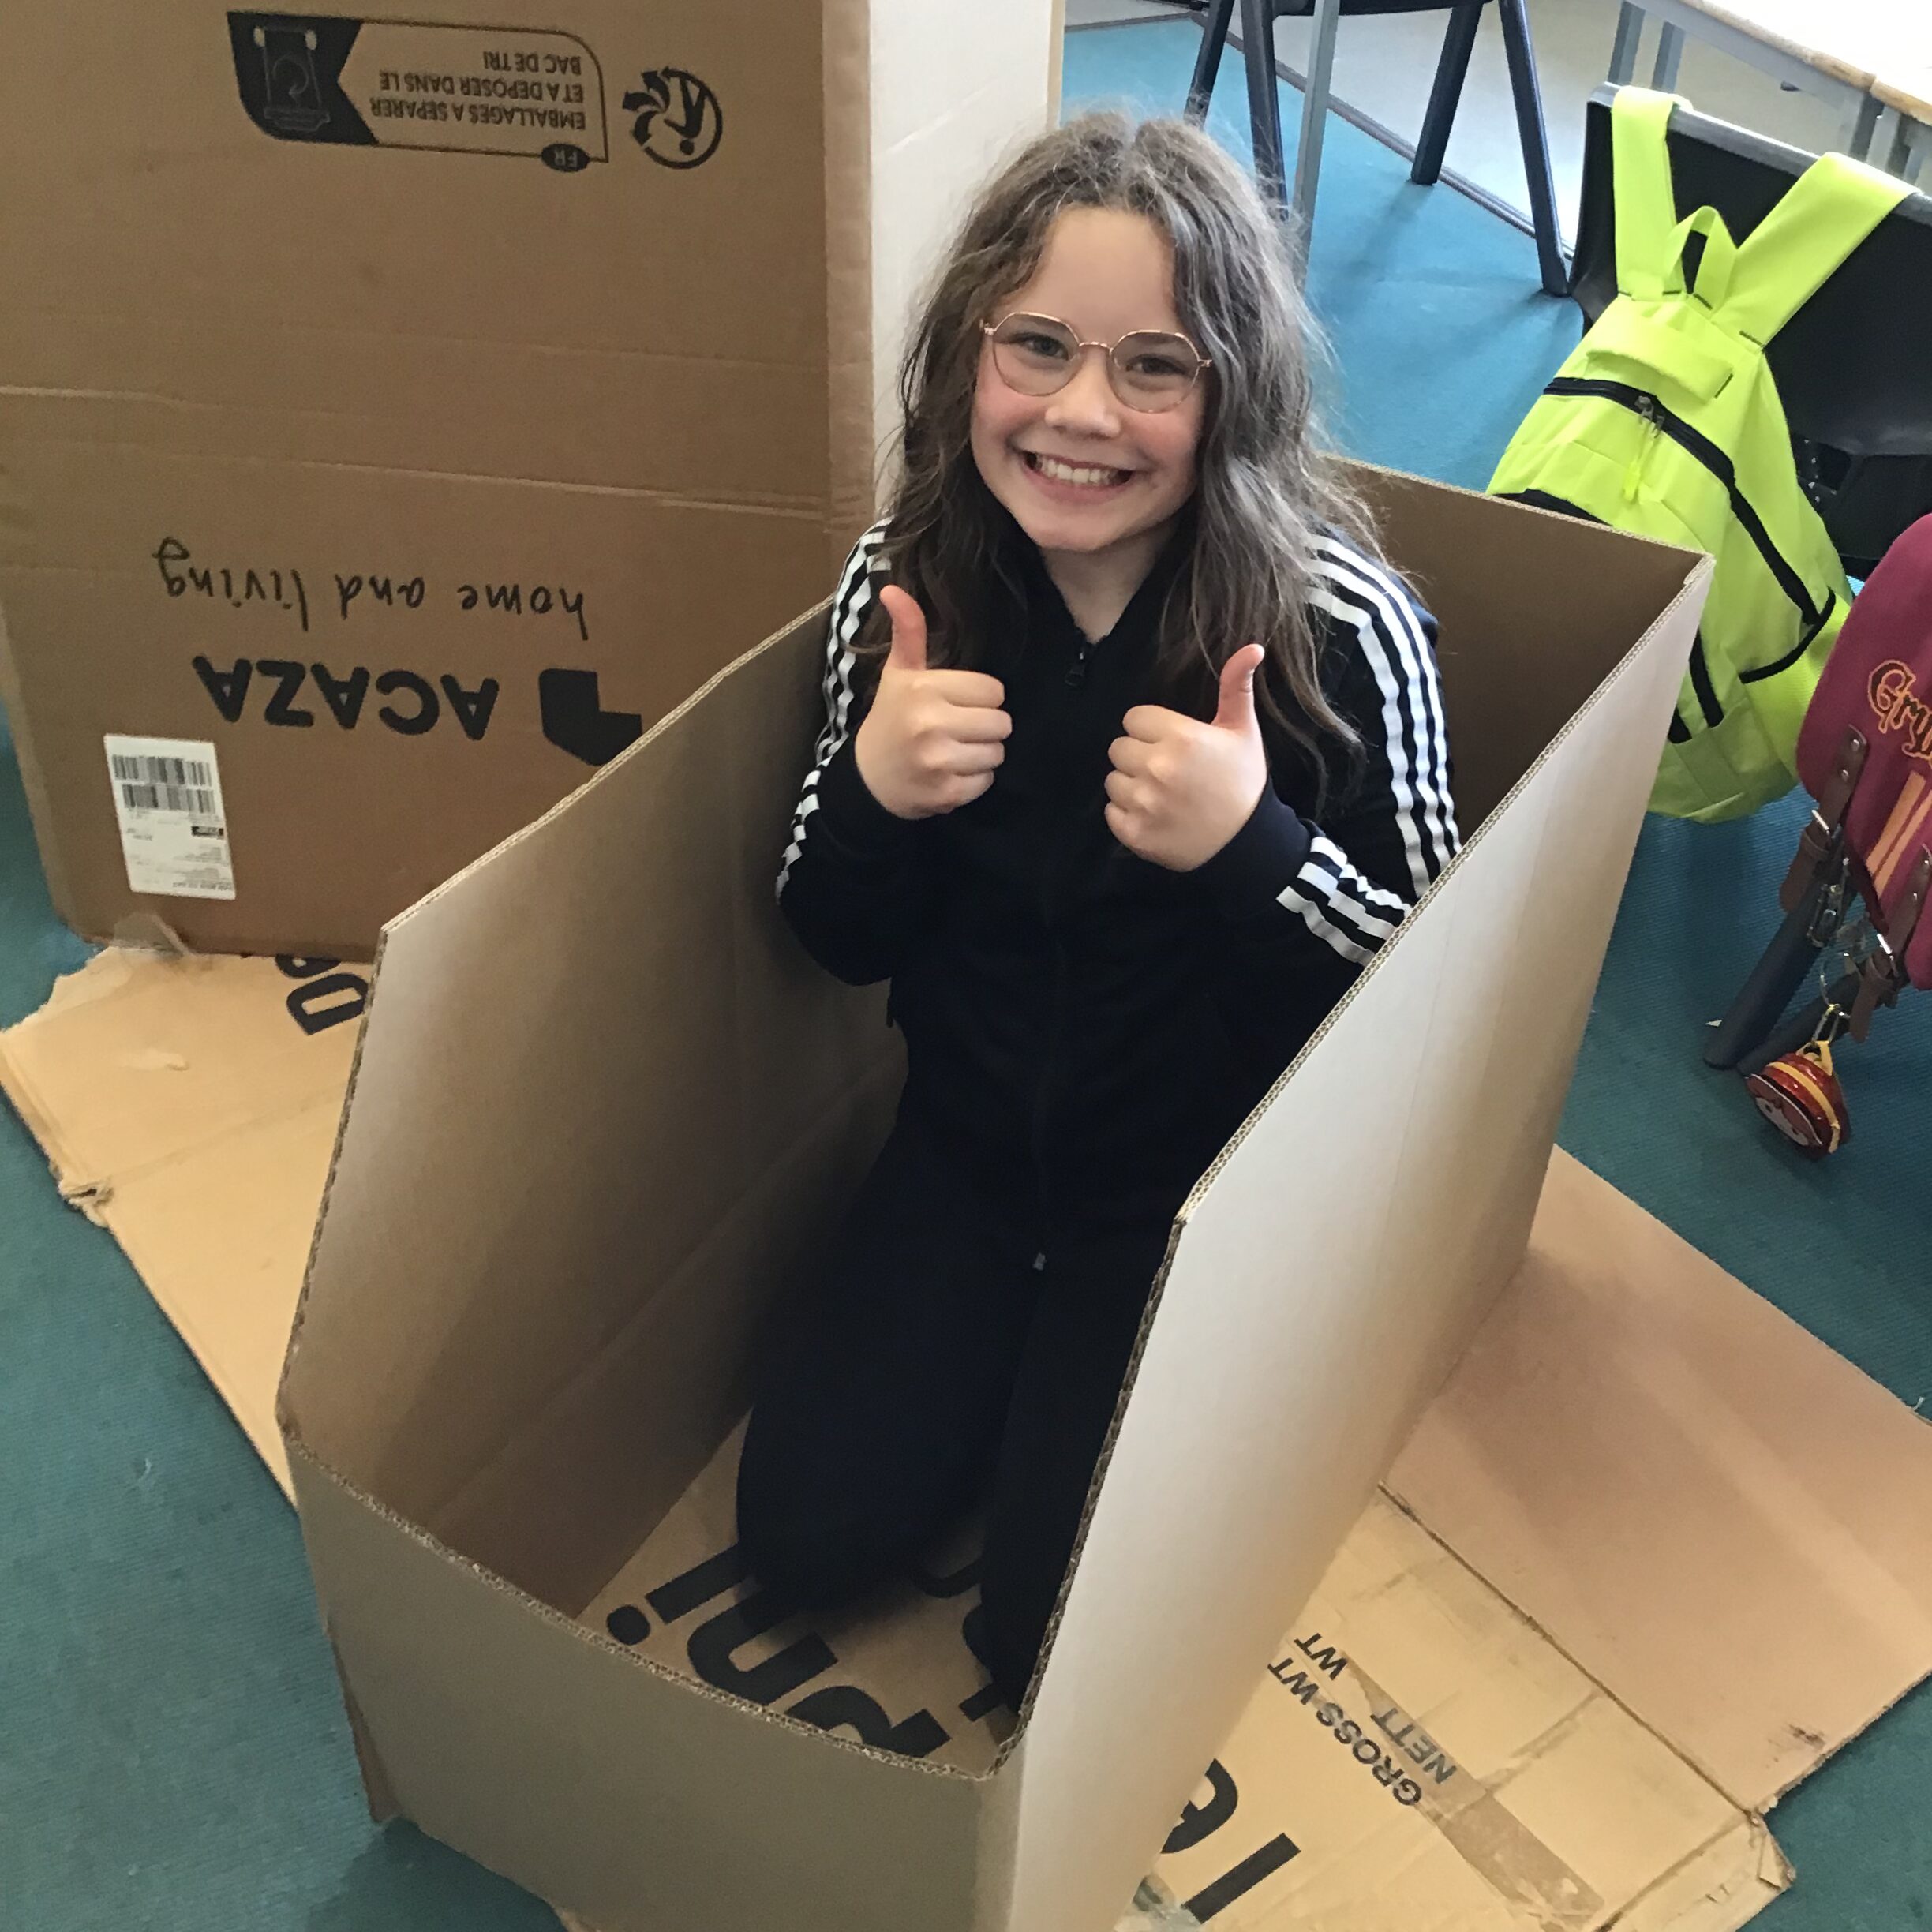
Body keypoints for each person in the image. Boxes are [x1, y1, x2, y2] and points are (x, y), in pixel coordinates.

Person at [738, 112, 1458, 1712]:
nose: (1081, 412)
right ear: (966, 356)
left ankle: (1077, 1394)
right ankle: (1002, 1364)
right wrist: (874, 792)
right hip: (965, 1163)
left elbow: (1434, 1014)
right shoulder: (908, 586)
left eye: (1155, 367)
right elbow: (829, 934)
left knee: (1044, 1649)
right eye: (1039, 346)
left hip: (1192, 1206)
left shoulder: (1338, 624)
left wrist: (1255, 848)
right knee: (801, 1538)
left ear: (1234, 394)